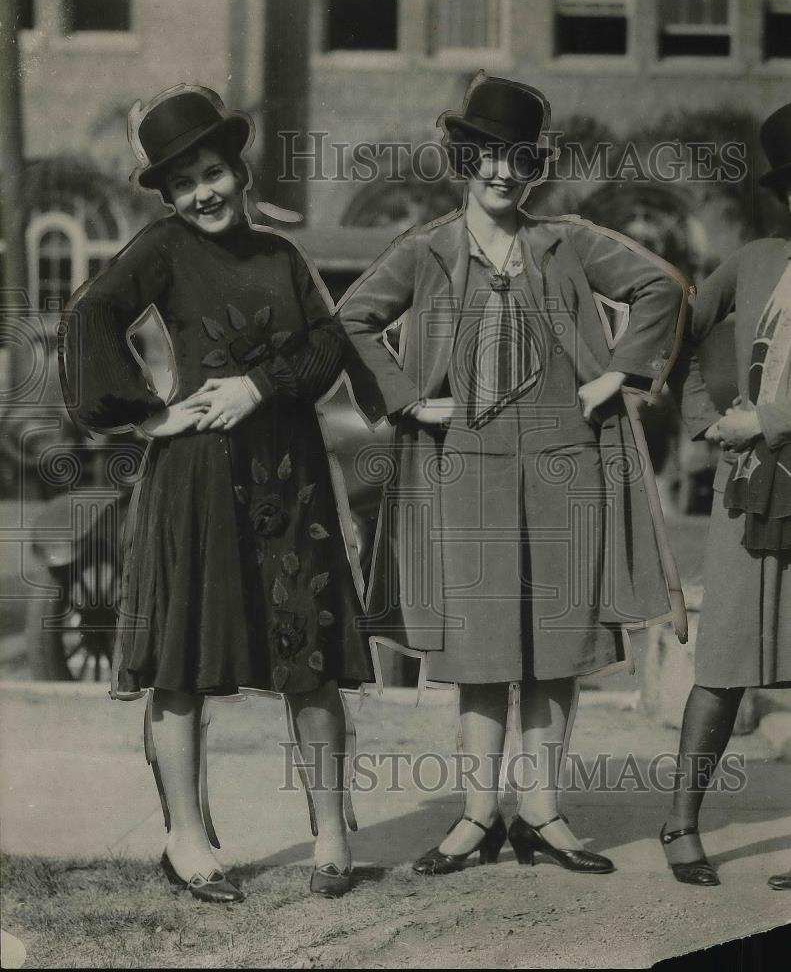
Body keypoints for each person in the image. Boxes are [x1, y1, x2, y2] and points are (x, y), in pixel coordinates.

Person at [338, 74, 686, 875]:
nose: (501, 173)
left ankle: (543, 815)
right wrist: (408, 403)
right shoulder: (424, 251)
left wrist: (615, 377)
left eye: (519, 159)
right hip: (465, 477)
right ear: (464, 158)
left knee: (559, 647)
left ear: (535, 166)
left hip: (565, 470)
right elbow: (350, 320)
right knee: (480, 650)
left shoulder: (563, 239)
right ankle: (475, 817)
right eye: (487, 156)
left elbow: (659, 287)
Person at [59, 86, 370, 900]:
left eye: (213, 172)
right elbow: (90, 318)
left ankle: (333, 832)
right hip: (195, 481)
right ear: (167, 196)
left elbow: (328, 343)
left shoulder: (280, 256)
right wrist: (150, 416)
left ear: (239, 168)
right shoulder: (163, 247)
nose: (203, 193)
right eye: (184, 182)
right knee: (182, 662)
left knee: (311, 655)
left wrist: (258, 387)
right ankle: (187, 840)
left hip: (289, 478)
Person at [662, 102, 791, 891]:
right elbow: (675, 322)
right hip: (749, 492)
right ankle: (679, 821)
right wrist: (702, 417)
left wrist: (765, 416)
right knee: (721, 664)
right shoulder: (755, 260)